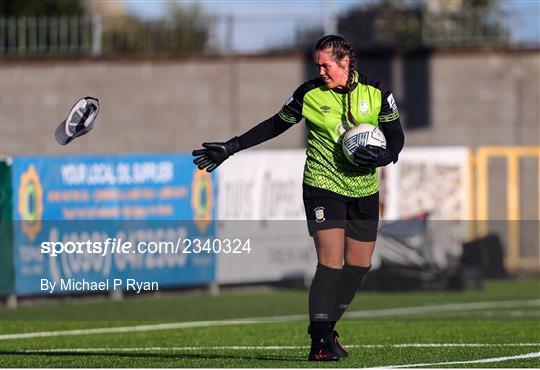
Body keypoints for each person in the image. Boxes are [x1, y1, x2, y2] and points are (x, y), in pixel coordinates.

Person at [192, 34, 405, 361]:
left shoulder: (377, 93)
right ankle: (319, 342)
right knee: (330, 262)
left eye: (326, 65)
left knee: (360, 265)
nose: (320, 70)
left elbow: (396, 138)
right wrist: (231, 147)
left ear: (345, 62)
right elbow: (274, 126)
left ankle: (325, 328)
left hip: (364, 190)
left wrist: (385, 155)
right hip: (322, 185)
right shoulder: (309, 94)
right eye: (317, 65)